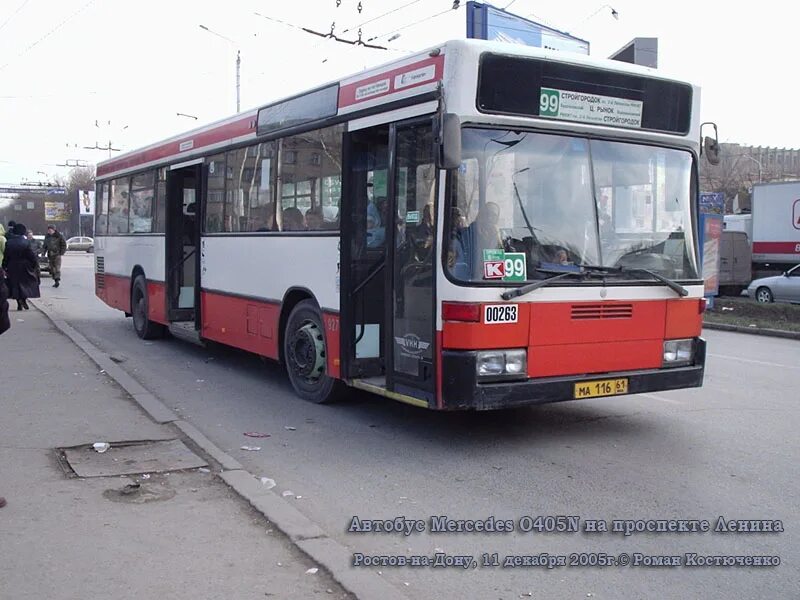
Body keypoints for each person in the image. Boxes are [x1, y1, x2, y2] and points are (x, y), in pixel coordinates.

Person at [2, 223, 40, 310]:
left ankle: (19, 302)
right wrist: (33, 265)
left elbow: (6, 256)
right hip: (25, 266)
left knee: (15, 284)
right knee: (25, 284)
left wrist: (4, 267)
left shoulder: (9, 243)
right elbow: (31, 255)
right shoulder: (26, 242)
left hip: (12, 265)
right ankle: (24, 299)